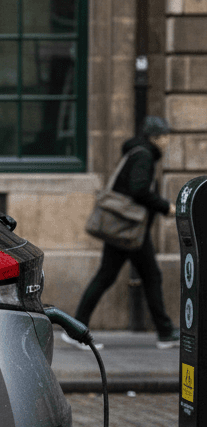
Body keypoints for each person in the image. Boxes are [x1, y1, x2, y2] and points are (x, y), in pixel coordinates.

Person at [69, 115, 179, 348]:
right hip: (128, 230)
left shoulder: (137, 152)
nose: (167, 140)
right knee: (141, 276)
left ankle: (165, 331)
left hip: (127, 229)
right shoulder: (144, 155)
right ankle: (165, 332)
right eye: (165, 136)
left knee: (123, 276)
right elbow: (139, 190)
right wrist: (165, 207)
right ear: (155, 137)